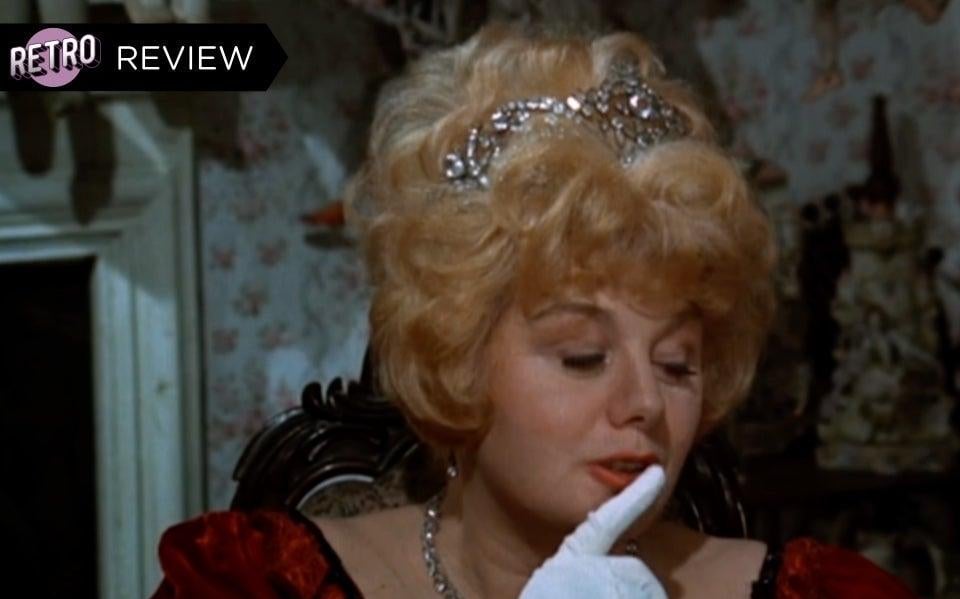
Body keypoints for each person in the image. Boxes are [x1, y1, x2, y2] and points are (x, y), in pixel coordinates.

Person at [151, 23, 916, 599]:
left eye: (677, 364)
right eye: (584, 355)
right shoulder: (257, 581)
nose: (646, 403)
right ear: (458, 356)